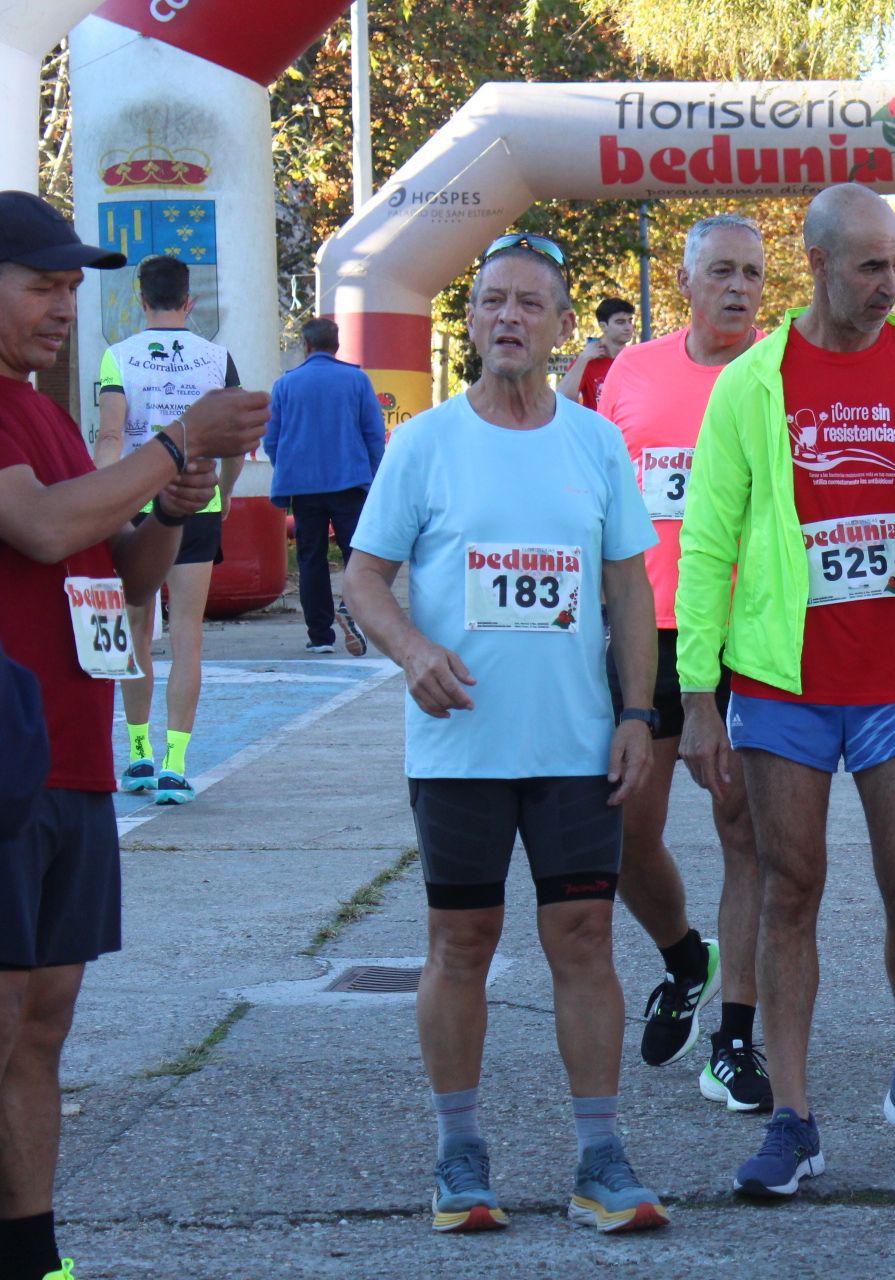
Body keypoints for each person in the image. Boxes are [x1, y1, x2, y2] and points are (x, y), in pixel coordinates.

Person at [674, 183, 895, 1199]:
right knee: (789, 888)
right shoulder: (754, 383)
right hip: (783, 679)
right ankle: (794, 1116)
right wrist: (696, 690)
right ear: (816, 264)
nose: (891, 283)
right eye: (872, 266)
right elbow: (709, 537)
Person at [342, 233, 668, 1236]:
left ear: (565, 323)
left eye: (532, 303)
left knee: (584, 937)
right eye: (493, 302)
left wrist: (636, 713)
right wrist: (411, 651)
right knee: (461, 939)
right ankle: (458, 1152)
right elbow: (362, 580)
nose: (511, 318)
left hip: (574, 745)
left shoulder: (595, 441)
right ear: (472, 320)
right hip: (460, 748)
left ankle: (602, 1157)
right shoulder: (425, 443)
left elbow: (628, 589)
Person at [0, 189, 268, 1280]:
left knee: (45, 1023)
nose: (65, 305)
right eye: (41, 285)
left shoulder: (51, 412)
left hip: (71, 759)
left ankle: (35, 1250)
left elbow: (121, 577)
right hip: (11, 764)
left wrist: (170, 504)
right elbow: (44, 523)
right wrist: (174, 443)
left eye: (74, 287)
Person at [595, 214, 769, 1111]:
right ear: (688, 280)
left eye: (753, 274)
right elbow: (597, 498)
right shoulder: (632, 372)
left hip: (750, 636)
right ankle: (681, 957)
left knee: (748, 836)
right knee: (623, 833)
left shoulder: (779, 374)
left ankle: (736, 1041)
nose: (738, 288)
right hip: (647, 634)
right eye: (722, 273)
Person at [92, 254, 245, 805]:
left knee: (136, 632)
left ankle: (138, 756)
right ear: (190, 301)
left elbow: (110, 437)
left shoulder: (118, 357)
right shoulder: (216, 358)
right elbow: (234, 443)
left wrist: (107, 497)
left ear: (140, 300)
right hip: (197, 502)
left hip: (136, 500)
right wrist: (224, 493)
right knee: (187, 635)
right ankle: (176, 767)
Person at [262, 316, 386, 655]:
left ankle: (320, 635)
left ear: (306, 345)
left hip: (304, 487)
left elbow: (271, 439)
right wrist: (374, 477)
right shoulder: (357, 380)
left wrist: (287, 467)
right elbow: (374, 435)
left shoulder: (285, 385)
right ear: (337, 345)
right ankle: (353, 611)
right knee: (357, 555)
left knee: (311, 557)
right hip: (350, 482)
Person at [559, 296, 636, 412]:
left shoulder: (635, 360)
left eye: (630, 321)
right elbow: (561, 397)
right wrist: (583, 359)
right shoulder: (588, 360)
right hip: (598, 428)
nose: (628, 327)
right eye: (620, 322)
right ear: (603, 326)